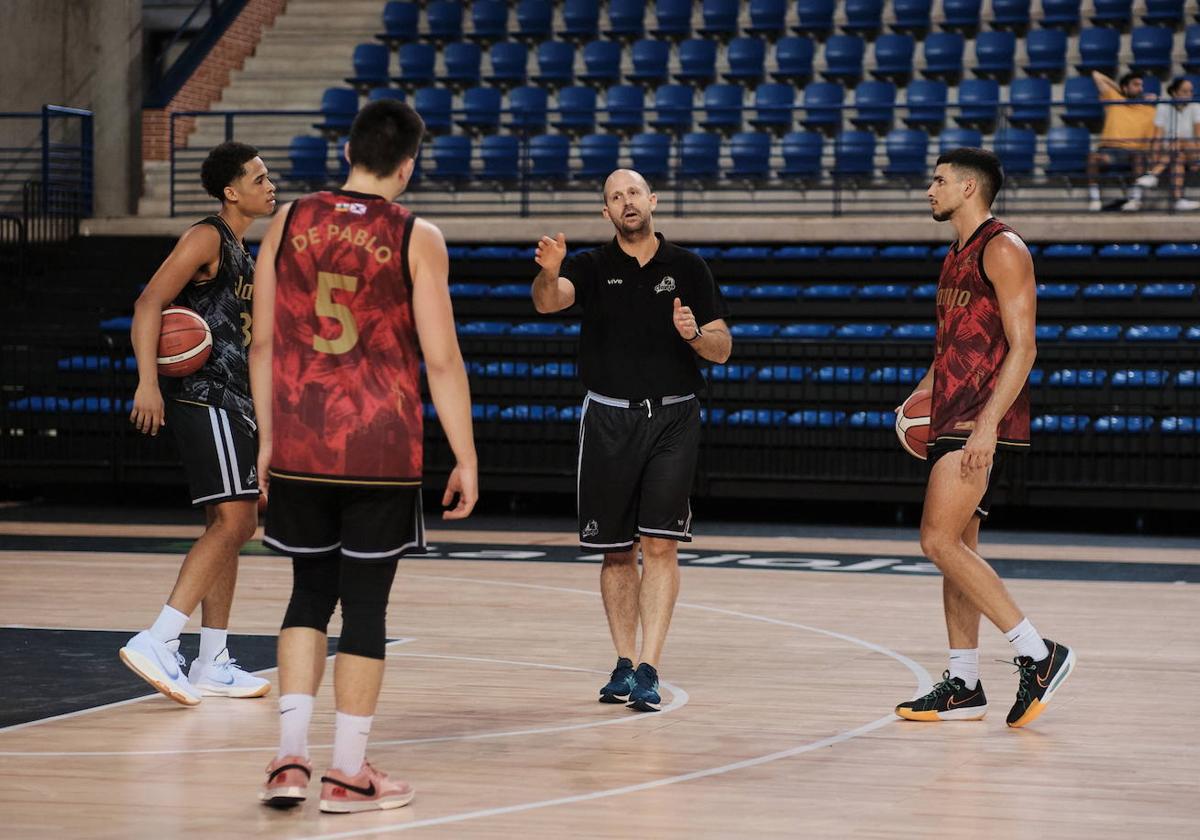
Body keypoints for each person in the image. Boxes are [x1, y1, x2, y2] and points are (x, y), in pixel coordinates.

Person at [250, 99, 477, 813]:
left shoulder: (288, 219)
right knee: (367, 608)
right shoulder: (417, 234)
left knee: (307, 594)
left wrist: (265, 439)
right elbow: (441, 360)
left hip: (300, 438)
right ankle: (348, 774)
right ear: (408, 165)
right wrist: (465, 456)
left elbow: (260, 341)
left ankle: (290, 762)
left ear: (347, 151)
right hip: (379, 447)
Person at [531, 169, 731, 713]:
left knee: (661, 545)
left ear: (653, 200)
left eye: (634, 192)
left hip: (673, 417)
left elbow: (722, 348)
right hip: (608, 419)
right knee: (616, 551)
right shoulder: (591, 267)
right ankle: (622, 661)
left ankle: (649, 667)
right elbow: (550, 302)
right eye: (615, 196)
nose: (627, 202)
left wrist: (693, 334)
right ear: (606, 212)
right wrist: (548, 274)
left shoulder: (689, 267)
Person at [895, 147, 1075, 729]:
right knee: (959, 552)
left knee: (936, 541)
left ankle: (1036, 652)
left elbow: (1024, 346)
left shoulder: (1003, 247)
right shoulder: (953, 255)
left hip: (980, 417)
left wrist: (990, 427)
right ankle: (964, 682)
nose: (930, 188)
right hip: (951, 410)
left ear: (970, 188)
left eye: (939, 180)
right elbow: (948, 347)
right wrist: (915, 400)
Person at [120, 141, 276, 706]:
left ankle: (212, 659)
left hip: (234, 401)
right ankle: (158, 638)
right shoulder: (207, 235)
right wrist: (147, 383)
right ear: (231, 191)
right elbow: (147, 304)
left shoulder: (243, 250)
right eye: (259, 178)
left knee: (232, 524)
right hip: (204, 396)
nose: (270, 184)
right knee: (235, 524)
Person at [1086, 71, 1157, 211]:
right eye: (1136, 85)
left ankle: (1135, 200)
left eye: (1141, 85)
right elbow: (1096, 75)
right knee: (1093, 158)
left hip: (1132, 152)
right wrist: (1120, 90)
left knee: (1138, 157)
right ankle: (1095, 200)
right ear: (1125, 87)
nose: (1140, 88)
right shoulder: (1114, 97)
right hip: (1108, 151)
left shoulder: (1150, 109)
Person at [1134, 77, 1200, 212]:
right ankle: (1178, 200)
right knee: (1178, 158)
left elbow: (1199, 136)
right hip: (1171, 151)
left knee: (1180, 140)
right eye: (1185, 91)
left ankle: (1153, 174)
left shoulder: (1196, 106)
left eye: (1190, 91)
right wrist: (1153, 157)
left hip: (1194, 149)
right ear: (1175, 93)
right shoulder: (1163, 107)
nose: (1189, 95)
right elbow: (1158, 137)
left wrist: (1197, 158)